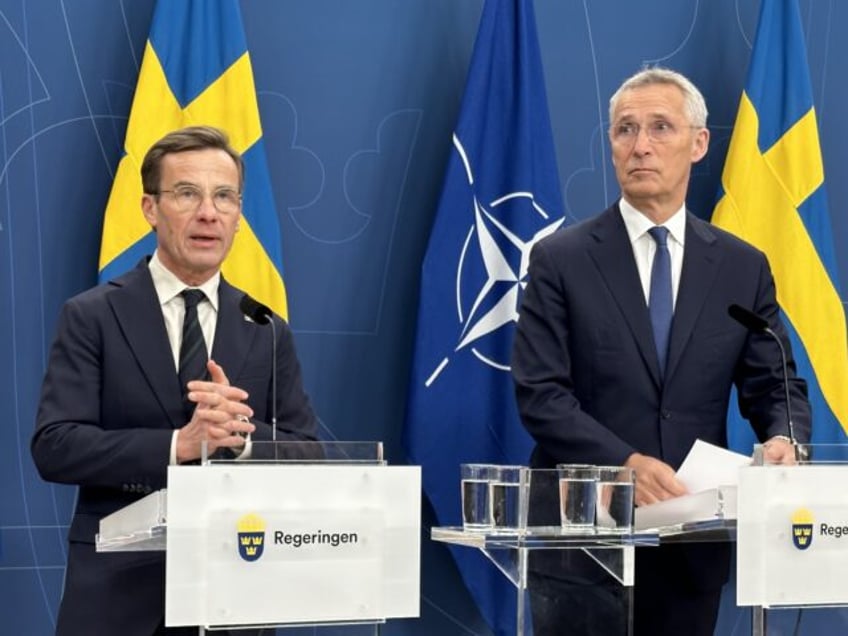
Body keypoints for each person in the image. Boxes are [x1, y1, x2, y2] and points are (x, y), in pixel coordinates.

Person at [511, 67, 812, 636]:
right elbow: (541, 395)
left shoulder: (742, 266)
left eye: (660, 128)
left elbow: (775, 384)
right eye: (625, 130)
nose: (640, 145)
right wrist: (624, 463)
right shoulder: (560, 260)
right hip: (583, 541)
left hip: (690, 548)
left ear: (699, 144)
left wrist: (783, 437)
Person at [31, 125, 319, 636]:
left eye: (224, 197)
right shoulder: (92, 315)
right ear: (149, 209)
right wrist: (178, 444)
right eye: (187, 194)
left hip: (233, 595)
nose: (209, 213)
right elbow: (56, 446)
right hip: (116, 601)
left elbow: (308, 451)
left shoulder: (266, 328)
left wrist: (240, 441)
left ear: (237, 214)